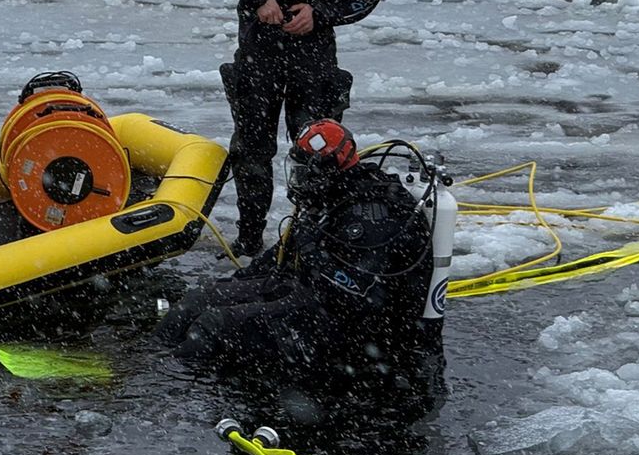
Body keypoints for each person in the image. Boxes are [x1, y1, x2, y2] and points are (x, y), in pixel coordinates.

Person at [156, 119, 442, 399]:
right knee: (199, 300)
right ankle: (153, 361)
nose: (299, 181)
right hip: (309, 293)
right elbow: (280, 257)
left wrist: (311, 250)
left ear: (328, 170)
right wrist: (236, 286)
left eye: (305, 173)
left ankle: (169, 390)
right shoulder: (332, 196)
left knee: (215, 326)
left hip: (349, 326)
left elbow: (356, 295)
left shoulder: (371, 219)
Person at [190, 0, 381, 257]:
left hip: (314, 58)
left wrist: (321, 12)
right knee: (252, 149)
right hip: (259, 52)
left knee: (319, 150)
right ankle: (249, 238)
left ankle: (313, 240)